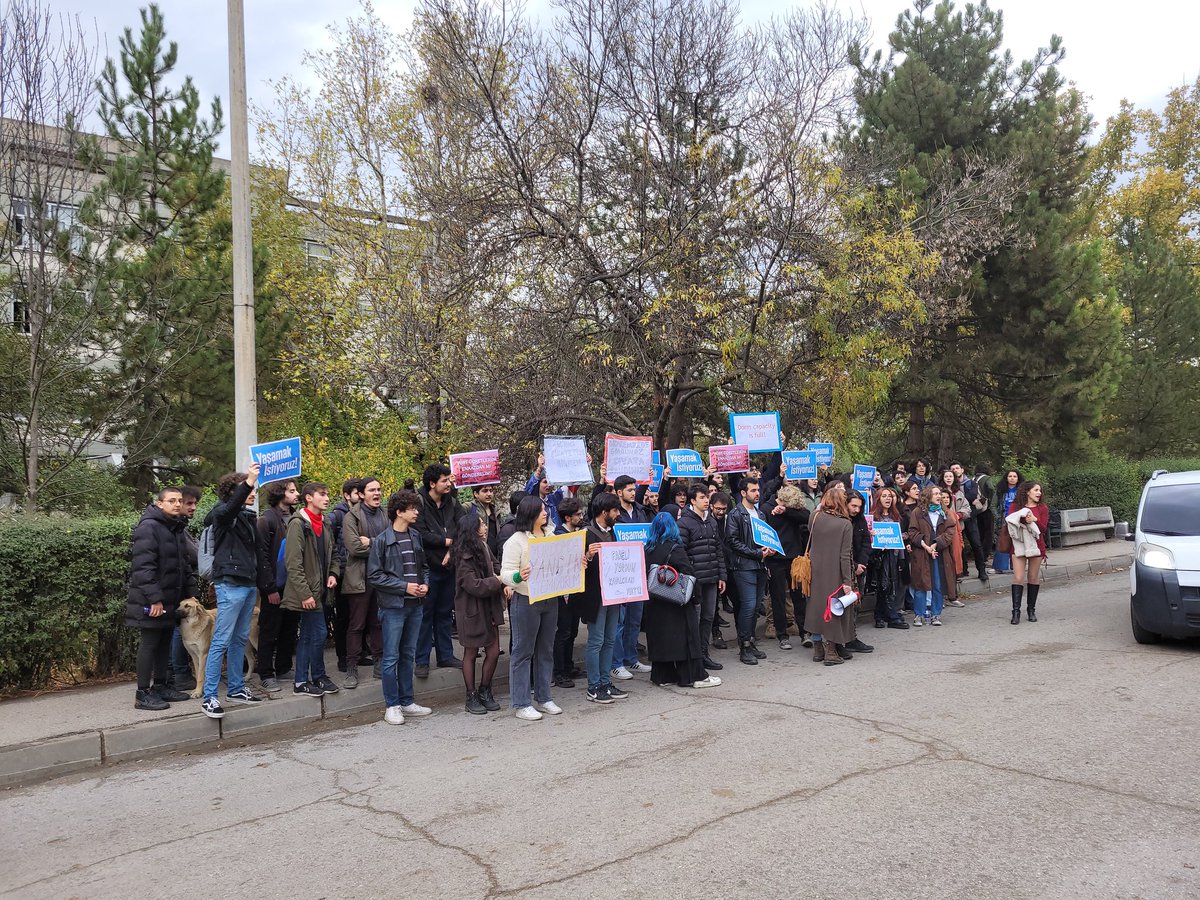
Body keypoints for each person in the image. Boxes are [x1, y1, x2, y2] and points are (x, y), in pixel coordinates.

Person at [199, 464, 267, 719]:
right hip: (230, 584)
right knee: (221, 641)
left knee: (240, 639)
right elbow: (228, 511)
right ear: (232, 492)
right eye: (248, 489)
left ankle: (236, 689)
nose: (253, 492)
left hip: (247, 584)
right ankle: (209, 697)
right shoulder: (221, 514)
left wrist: (264, 583)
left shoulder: (247, 518)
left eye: (253, 489)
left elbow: (257, 553)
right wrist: (248, 481)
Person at [126, 486, 196, 710]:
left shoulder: (175, 527)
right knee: (150, 642)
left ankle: (161, 686)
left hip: (171, 597)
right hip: (152, 600)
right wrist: (154, 599)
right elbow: (143, 568)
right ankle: (142, 693)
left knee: (165, 642)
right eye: (171, 501)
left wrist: (190, 594)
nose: (177, 504)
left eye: (179, 500)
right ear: (159, 504)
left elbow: (183, 566)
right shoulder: (149, 527)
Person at [368, 489, 433, 725]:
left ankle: (407, 701)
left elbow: (424, 567)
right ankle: (392, 705)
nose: (416, 512)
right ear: (399, 512)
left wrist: (425, 584)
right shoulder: (382, 541)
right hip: (393, 607)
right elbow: (374, 576)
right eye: (412, 509)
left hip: (415, 605)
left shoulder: (415, 536)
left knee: (408, 655)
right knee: (391, 657)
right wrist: (404, 587)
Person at [500, 496, 562, 720]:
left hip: (550, 598)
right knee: (523, 652)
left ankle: (544, 697)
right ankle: (522, 703)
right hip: (526, 600)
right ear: (530, 514)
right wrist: (518, 575)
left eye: (545, 509)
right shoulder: (515, 541)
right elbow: (505, 574)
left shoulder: (551, 536)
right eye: (541, 510)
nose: (546, 513)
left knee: (545, 650)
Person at [642, 512, 720, 688]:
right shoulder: (675, 548)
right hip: (677, 602)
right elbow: (689, 574)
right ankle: (693, 677)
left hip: (654, 603)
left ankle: (664, 676)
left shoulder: (648, 549)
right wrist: (697, 598)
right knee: (687, 639)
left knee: (661, 640)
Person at [283, 482, 341, 697]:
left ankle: (311, 679)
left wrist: (333, 574)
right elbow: (293, 563)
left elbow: (334, 554)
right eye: (322, 494)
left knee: (310, 634)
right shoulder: (298, 524)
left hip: (321, 591)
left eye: (327, 494)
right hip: (308, 593)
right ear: (309, 498)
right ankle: (309, 678)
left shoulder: (325, 523)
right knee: (317, 633)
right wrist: (305, 594)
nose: (327, 498)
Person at [453, 510, 510, 713]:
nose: (485, 527)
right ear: (473, 530)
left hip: (489, 607)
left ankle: (485, 689)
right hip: (472, 610)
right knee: (470, 653)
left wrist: (504, 579)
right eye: (481, 524)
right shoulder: (463, 557)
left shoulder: (484, 546)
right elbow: (473, 586)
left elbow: (495, 565)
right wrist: (497, 581)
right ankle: (471, 695)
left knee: (493, 652)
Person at [414, 463, 464, 678]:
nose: (449, 483)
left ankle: (446, 655)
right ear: (432, 483)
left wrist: (452, 549)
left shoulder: (451, 501)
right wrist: (447, 542)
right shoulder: (418, 502)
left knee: (444, 612)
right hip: (427, 569)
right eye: (444, 480)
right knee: (425, 614)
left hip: (449, 567)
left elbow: (463, 527)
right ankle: (421, 660)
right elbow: (420, 533)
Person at [578, 492, 626, 704]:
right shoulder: (585, 534)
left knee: (610, 639)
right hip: (595, 597)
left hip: (613, 594)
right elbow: (576, 566)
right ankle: (593, 686)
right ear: (604, 512)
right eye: (614, 510)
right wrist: (588, 556)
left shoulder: (612, 532)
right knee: (596, 641)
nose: (617, 514)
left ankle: (606, 682)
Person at [341, 476, 388, 688]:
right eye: (372, 490)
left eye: (378, 489)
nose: (377, 493)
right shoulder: (350, 517)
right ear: (361, 494)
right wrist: (382, 546)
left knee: (378, 622)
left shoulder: (386, 513)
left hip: (382, 577)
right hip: (359, 578)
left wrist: (373, 542)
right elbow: (354, 548)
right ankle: (351, 667)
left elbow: (394, 542)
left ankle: (380, 662)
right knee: (357, 624)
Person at [254, 479, 300, 693]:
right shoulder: (266, 520)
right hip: (275, 585)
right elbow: (262, 557)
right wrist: (269, 588)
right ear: (280, 493)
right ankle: (265, 672)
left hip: (293, 584)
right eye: (291, 490)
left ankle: (283, 667)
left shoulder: (296, 518)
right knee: (269, 630)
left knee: (289, 628)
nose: (296, 494)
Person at [803, 488, 855, 666]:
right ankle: (831, 651)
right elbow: (845, 555)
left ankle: (818, 649)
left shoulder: (814, 517)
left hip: (814, 570)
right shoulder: (845, 524)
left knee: (815, 607)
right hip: (835, 572)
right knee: (833, 609)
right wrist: (847, 581)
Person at [726, 477, 775, 665]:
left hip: (760, 565)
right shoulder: (736, 514)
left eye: (758, 490)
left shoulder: (760, 514)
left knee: (755, 608)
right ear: (743, 493)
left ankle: (751, 641)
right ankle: (744, 645)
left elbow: (765, 537)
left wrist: (768, 549)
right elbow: (732, 541)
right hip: (744, 566)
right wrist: (757, 553)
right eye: (753, 490)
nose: (757, 493)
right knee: (748, 605)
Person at [678, 482, 727, 671]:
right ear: (692, 501)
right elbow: (681, 553)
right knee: (694, 620)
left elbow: (718, 550)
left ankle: (704, 654)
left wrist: (722, 576)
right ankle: (693, 657)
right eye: (702, 497)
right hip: (694, 581)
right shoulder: (684, 523)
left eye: (707, 497)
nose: (706, 500)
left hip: (712, 579)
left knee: (708, 617)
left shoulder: (712, 521)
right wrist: (690, 576)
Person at [611, 474, 652, 680]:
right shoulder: (613, 514)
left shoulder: (641, 511)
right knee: (619, 622)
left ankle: (631, 658)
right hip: (621, 575)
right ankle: (616, 664)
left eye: (634, 489)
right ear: (619, 492)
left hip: (639, 573)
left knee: (635, 620)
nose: (633, 492)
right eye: (629, 490)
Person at [764, 482, 811, 649]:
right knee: (778, 598)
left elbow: (807, 517)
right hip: (775, 559)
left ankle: (805, 632)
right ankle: (782, 635)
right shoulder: (766, 508)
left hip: (794, 558)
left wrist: (787, 511)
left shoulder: (792, 510)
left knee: (799, 597)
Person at [166, 484, 202, 693]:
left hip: (181, 586)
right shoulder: (174, 528)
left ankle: (174, 673)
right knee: (180, 630)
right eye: (188, 503)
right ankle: (179, 673)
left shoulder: (181, 528)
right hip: (176, 589)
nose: (192, 507)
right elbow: (194, 555)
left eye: (194, 503)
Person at [905, 485, 958, 626]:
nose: (939, 496)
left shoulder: (944, 512)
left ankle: (936, 614)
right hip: (922, 553)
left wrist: (936, 544)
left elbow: (950, 531)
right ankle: (919, 614)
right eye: (935, 494)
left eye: (939, 493)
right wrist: (925, 546)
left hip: (940, 554)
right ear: (928, 496)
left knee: (938, 585)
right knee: (920, 584)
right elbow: (912, 531)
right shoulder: (918, 512)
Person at [552, 497, 587, 688]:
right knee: (563, 631)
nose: (581, 517)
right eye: (578, 515)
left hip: (576, 588)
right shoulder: (559, 536)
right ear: (567, 518)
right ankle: (559, 671)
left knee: (572, 630)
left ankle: (568, 665)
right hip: (562, 591)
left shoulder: (577, 533)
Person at [331, 478, 363, 673]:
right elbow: (331, 545)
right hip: (343, 573)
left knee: (359, 615)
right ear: (347, 495)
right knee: (343, 616)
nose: (361, 496)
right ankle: (342, 657)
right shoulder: (337, 516)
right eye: (357, 493)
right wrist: (334, 571)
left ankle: (359, 653)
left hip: (361, 571)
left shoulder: (364, 513)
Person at [1006, 481, 1050, 624]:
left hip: (1036, 546)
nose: (1039, 493)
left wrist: (1035, 520)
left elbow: (1043, 529)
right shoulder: (1015, 506)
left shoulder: (1042, 508)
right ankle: (1016, 612)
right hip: (1018, 545)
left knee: (1032, 577)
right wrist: (1022, 518)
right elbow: (1010, 522)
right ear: (1027, 492)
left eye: (1040, 490)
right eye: (1036, 490)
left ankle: (1031, 610)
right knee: (1018, 577)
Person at [869, 487, 909, 629]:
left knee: (891, 584)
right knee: (883, 585)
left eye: (890, 496)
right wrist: (872, 536)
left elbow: (899, 539)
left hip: (894, 555)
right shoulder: (873, 517)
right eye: (884, 496)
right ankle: (890, 616)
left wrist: (901, 558)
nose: (888, 499)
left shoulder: (895, 516)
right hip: (879, 556)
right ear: (878, 499)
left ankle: (881, 615)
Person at [950, 461, 989, 584]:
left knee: (976, 544)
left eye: (957, 468)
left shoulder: (971, 483)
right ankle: (963, 569)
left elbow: (972, 496)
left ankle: (981, 570)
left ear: (962, 470)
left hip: (970, 517)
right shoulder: (949, 485)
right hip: (955, 519)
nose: (955, 470)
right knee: (959, 545)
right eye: (952, 469)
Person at [938, 468, 969, 606]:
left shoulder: (952, 513)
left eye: (947, 498)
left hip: (954, 544)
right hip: (942, 545)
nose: (945, 500)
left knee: (953, 570)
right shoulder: (938, 513)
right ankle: (944, 597)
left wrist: (961, 543)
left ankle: (952, 596)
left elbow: (958, 530)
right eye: (943, 497)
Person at [710, 491, 735, 647]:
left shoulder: (729, 520)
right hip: (714, 567)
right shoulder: (707, 522)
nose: (720, 512)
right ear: (711, 506)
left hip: (730, 566)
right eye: (717, 508)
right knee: (713, 606)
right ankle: (716, 634)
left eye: (723, 509)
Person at [991, 469, 1022, 574]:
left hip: (1017, 520)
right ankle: (999, 567)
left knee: (1017, 543)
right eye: (1010, 476)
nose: (1012, 478)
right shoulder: (1000, 490)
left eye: (1014, 476)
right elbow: (993, 505)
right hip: (1004, 519)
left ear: (1018, 479)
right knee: (1002, 542)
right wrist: (998, 516)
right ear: (1006, 478)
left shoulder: (1021, 491)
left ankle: (1016, 566)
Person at [470, 484, 502, 566]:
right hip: (478, 556)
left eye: (491, 491)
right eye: (485, 491)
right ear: (476, 494)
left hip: (494, 556)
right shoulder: (470, 508)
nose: (489, 494)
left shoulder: (495, 510)